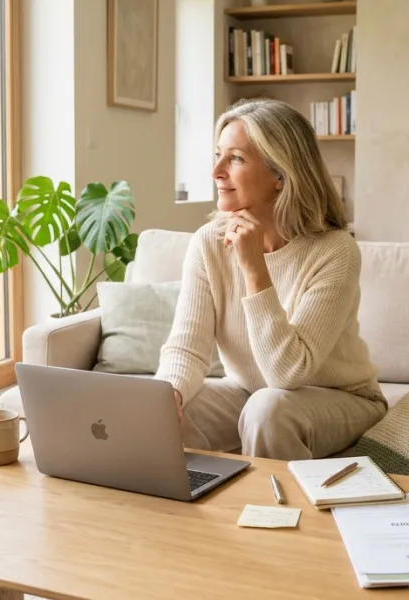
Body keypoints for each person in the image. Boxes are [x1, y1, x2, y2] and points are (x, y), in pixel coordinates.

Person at [153, 98, 386, 461]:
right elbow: (187, 348)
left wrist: (254, 269)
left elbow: (288, 372)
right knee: (164, 417)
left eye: (235, 158)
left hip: (341, 398)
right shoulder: (207, 243)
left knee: (269, 410)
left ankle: (270, 515)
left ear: (280, 174)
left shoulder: (335, 251)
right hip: (251, 392)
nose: (216, 170)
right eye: (218, 154)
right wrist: (169, 395)